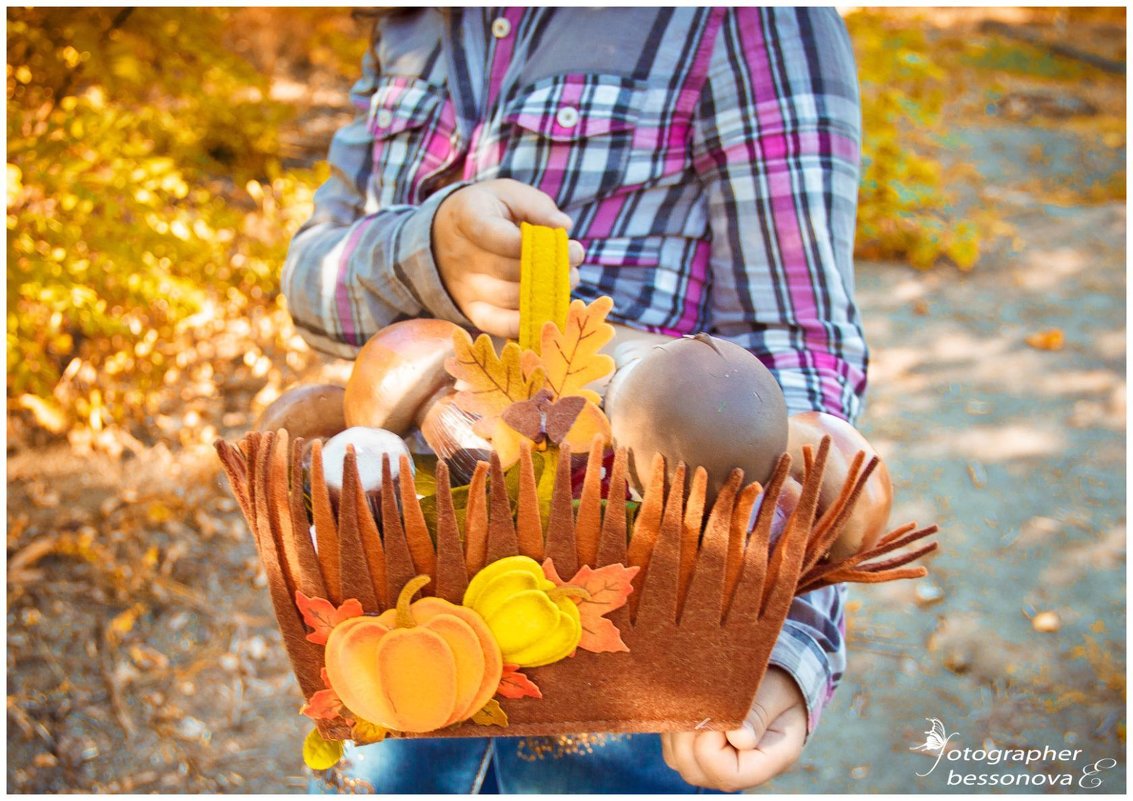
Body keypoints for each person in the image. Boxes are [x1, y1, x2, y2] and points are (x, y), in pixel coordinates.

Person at [283, 7, 866, 794]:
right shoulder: (411, 22)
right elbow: (309, 283)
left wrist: (778, 640)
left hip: (634, 656)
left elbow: (796, 364)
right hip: (389, 628)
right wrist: (423, 251)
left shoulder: (749, 18)